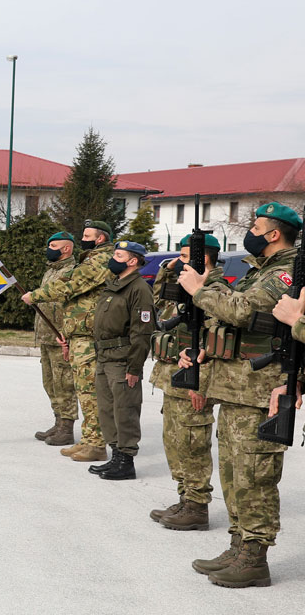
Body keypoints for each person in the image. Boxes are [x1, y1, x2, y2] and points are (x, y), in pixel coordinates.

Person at [178, 201, 300, 588]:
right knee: (233, 473)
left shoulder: (286, 273)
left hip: (258, 389)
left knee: (255, 476)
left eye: (258, 225)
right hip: (235, 386)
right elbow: (231, 322)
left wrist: (199, 289)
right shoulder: (259, 270)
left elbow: (243, 311)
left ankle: (254, 557)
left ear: (274, 233)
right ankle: (238, 544)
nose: (252, 231)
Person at [148, 235, 223, 530]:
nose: (177, 261)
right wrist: (168, 268)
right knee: (175, 442)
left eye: (183, 256)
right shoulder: (184, 287)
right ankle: (185, 498)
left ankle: (197, 506)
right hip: (174, 377)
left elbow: (217, 343)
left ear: (201, 259)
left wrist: (201, 385)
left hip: (194, 379)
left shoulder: (215, 291)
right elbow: (158, 301)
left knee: (192, 444)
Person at [23, 220, 113, 462]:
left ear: (100, 238)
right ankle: (86, 438)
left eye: (87, 235)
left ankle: (79, 434)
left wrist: (35, 295)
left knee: (78, 388)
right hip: (70, 334)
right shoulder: (79, 263)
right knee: (60, 385)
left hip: (79, 335)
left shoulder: (96, 262)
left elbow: (69, 287)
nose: (83, 238)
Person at [85, 241, 155, 480]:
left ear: (132, 260)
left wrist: (134, 366)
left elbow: (142, 332)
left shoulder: (139, 289)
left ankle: (126, 460)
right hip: (105, 357)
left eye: (118, 255)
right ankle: (115, 455)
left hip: (122, 359)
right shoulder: (114, 286)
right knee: (107, 410)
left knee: (125, 410)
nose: (113, 259)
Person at [32, 231, 79, 446]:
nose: (49, 249)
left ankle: (67, 428)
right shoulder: (51, 271)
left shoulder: (72, 271)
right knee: (50, 383)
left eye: (54, 245)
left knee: (64, 385)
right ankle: (58, 422)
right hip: (46, 336)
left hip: (61, 337)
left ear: (66, 249)